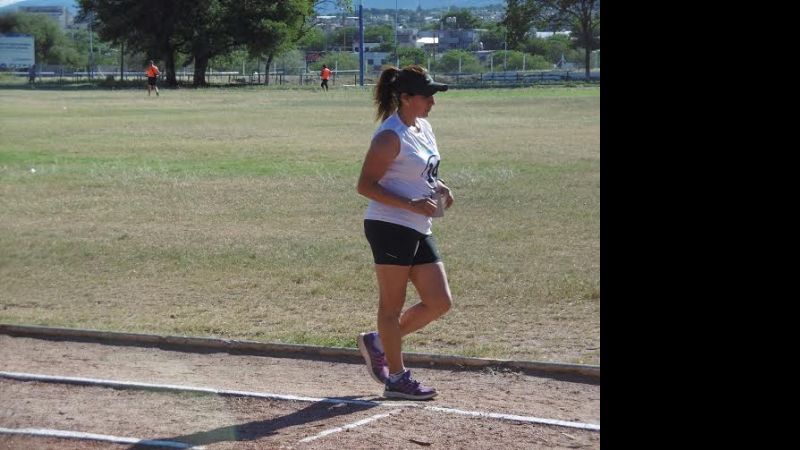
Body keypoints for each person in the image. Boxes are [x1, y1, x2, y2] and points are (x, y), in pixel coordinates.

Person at [356, 65, 453, 401]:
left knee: (439, 301)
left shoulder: (423, 127)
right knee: (391, 307)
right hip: (389, 226)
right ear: (406, 98)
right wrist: (409, 204)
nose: (432, 102)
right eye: (427, 96)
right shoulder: (389, 136)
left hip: (417, 225)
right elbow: (364, 185)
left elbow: (423, 169)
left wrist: (440, 187)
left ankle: (379, 342)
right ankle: (396, 378)